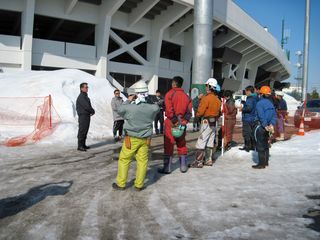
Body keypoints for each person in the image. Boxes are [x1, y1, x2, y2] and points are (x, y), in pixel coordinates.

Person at [112, 80, 159, 191]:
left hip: (131, 139)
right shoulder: (152, 108)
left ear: (135, 94)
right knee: (142, 162)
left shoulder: (130, 107)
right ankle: (139, 185)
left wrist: (129, 100)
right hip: (145, 139)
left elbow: (120, 110)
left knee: (124, 160)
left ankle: (121, 184)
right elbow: (156, 107)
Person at [158, 76, 192, 174]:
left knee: (169, 144)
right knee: (181, 143)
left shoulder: (170, 94)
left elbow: (169, 110)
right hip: (182, 122)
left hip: (171, 123)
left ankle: (167, 168)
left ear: (174, 83)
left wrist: (174, 121)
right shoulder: (186, 96)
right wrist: (183, 121)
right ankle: (183, 166)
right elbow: (189, 112)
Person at [189, 78, 221, 168]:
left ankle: (198, 161)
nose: (205, 87)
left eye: (206, 85)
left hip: (206, 122)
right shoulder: (218, 100)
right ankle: (208, 160)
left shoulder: (206, 99)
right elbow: (219, 113)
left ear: (209, 87)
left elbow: (200, 112)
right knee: (210, 142)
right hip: (214, 122)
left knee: (201, 141)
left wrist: (198, 115)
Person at [253, 86, 277, 169]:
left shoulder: (259, 103)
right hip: (268, 127)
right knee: (266, 144)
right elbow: (274, 115)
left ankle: (261, 164)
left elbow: (261, 115)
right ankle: (266, 162)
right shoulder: (271, 103)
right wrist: (271, 124)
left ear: (261, 94)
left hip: (261, 126)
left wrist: (265, 125)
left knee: (260, 145)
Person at [76, 82, 95, 151]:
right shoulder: (81, 96)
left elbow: (88, 106)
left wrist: (91, 111)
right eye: (86, 87)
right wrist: (92, 111)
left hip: (86, 115)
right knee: (82, 130)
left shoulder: (85, 96)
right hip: (83, 116)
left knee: (85, 130)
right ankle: (80, 146)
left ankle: (83, 144)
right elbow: (86, 106)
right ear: (81, 88)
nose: (87, 88)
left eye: (87, 87)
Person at [239, 85, 258, 152]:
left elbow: (249, 108)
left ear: (249, 91)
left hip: (248, 118)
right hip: (253, 118)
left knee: (246, 132)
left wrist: (242, 109)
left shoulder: (250, 98)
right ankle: (253, 146)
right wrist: (244, 103)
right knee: (252, 132)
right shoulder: (256, 97)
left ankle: (247, 146)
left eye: (246, 91)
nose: (245, 92)